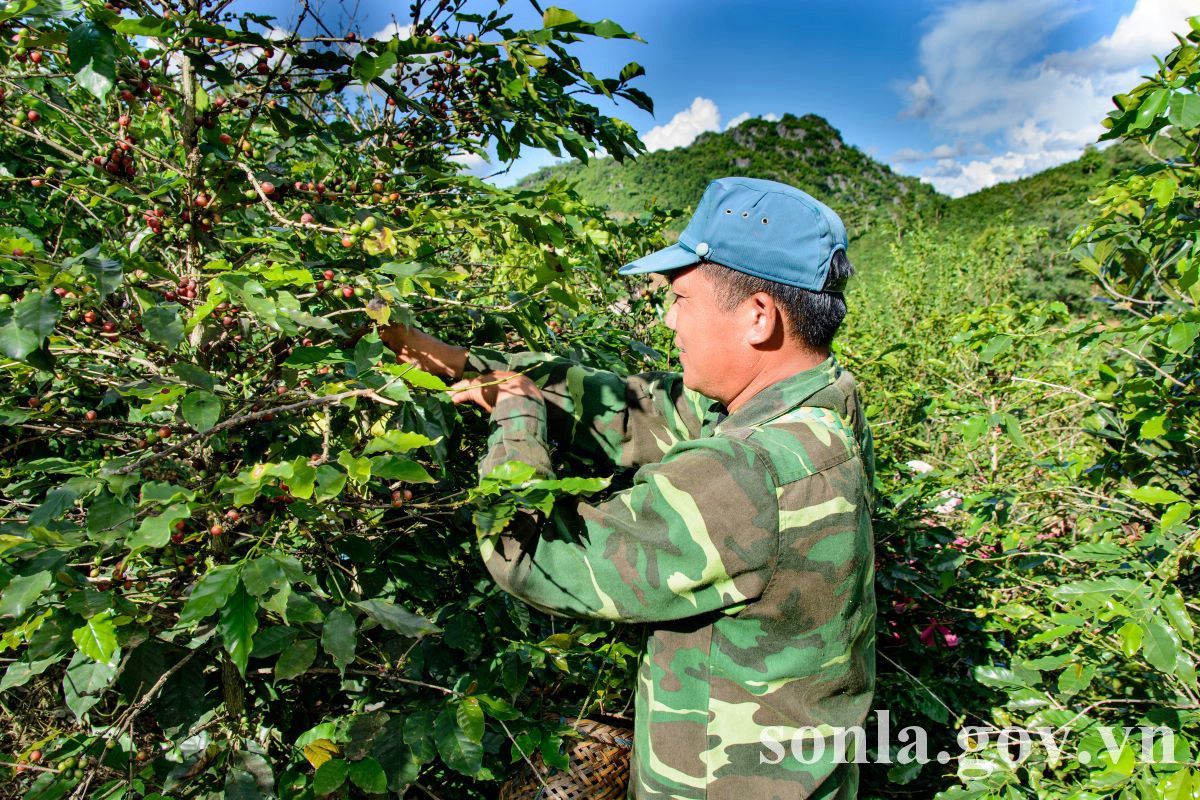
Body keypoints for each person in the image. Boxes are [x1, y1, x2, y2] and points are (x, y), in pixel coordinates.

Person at [381, 177, 876, 799]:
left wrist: (517, 420)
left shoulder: (750, 470)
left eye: (681, 300)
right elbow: (637, 409)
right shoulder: (822, 403)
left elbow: (533, 553)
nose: (670, 321)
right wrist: (456, 362)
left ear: (758, 315)